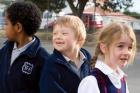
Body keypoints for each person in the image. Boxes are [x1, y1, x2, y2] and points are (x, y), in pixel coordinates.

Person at [0, 1, 49, 93]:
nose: (4, 27)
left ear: (18, 27)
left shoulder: (43, 59)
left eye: (7, 24)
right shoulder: (5, 50)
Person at [78, 22, 137, 93]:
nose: (126, 52)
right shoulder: (92, 82)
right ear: (104, 48)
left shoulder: (122, 80)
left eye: (130, 47)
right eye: (120, 46)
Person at [40, 15, 91, 93]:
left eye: (64, 33)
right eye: (55, 33)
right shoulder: (51, 63)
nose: (58, 37)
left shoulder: (88, 59)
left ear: (79, 39)